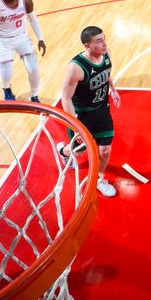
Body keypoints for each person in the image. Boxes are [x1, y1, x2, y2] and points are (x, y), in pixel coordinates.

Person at [57, 26, 120, 198]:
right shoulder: (76, 68)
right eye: (99, 41)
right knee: (79, 152)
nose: (104, 44)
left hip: (102, 110)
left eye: (104, 38)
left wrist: (113, 89)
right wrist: (76, 127)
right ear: (87, 46)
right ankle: (63, 151)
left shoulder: (106, 54)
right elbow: (66, 98)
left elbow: (106, 74)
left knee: (105, 150)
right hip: (82, 116)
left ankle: (98, 179)